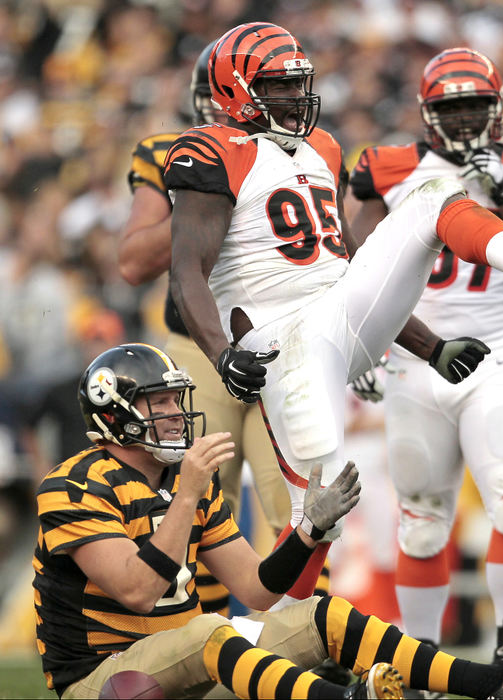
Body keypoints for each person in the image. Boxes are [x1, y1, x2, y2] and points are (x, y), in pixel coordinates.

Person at [163, 22, 503, 608]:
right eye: (277, 87)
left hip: (342, 313)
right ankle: (274, 635)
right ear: (236, 91)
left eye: (297, 84)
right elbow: (185, 271)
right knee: (322, 512)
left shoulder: (325, 148)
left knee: (434, 193)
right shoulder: (209, 151)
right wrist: (221, 355)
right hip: (283, 344)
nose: (295, 98)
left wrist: (429, 345)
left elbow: (348, 265)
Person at [32, 342, 503, 700]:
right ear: (115, 415)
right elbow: (135, 590)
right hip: (105, 683)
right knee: (208, 630)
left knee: (320, 617)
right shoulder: (73, 485)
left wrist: (307, 535)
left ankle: (500, 684)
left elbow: (255, 588)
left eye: (175, 400)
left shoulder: (181, 483)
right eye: (158, 404)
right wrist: (186, 497)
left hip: (182, 668)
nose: (176, 413)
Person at [348, 46, 503, 664]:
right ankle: (419, 659)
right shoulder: (389, 167)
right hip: (414, 358)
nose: (463, 118)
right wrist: (369, 347)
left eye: (475, 104)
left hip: (499, 354)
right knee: (421, 520)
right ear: (426, 112)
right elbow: (357, 263)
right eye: (451, 107)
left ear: (498, 107)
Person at [118, 41, 291, 617]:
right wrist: (205, 196)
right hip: (196, 349)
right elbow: (134, 261)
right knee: (198, 503)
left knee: (297, 505)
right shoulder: (175, 153)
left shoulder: (299, 150)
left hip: (283, 345)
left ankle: (307, 643)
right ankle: (213, 646)